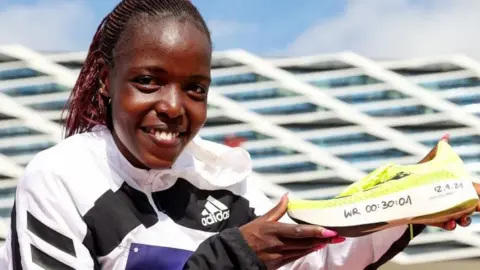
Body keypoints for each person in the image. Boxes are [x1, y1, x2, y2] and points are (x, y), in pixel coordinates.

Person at [0, 0, 478, 269]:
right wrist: (232, 260)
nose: (172, 106)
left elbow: (318, 261)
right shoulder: (60, 178)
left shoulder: (224, 182)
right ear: (107, 80)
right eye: (148, 81)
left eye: (195, 88)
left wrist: (413, 204)